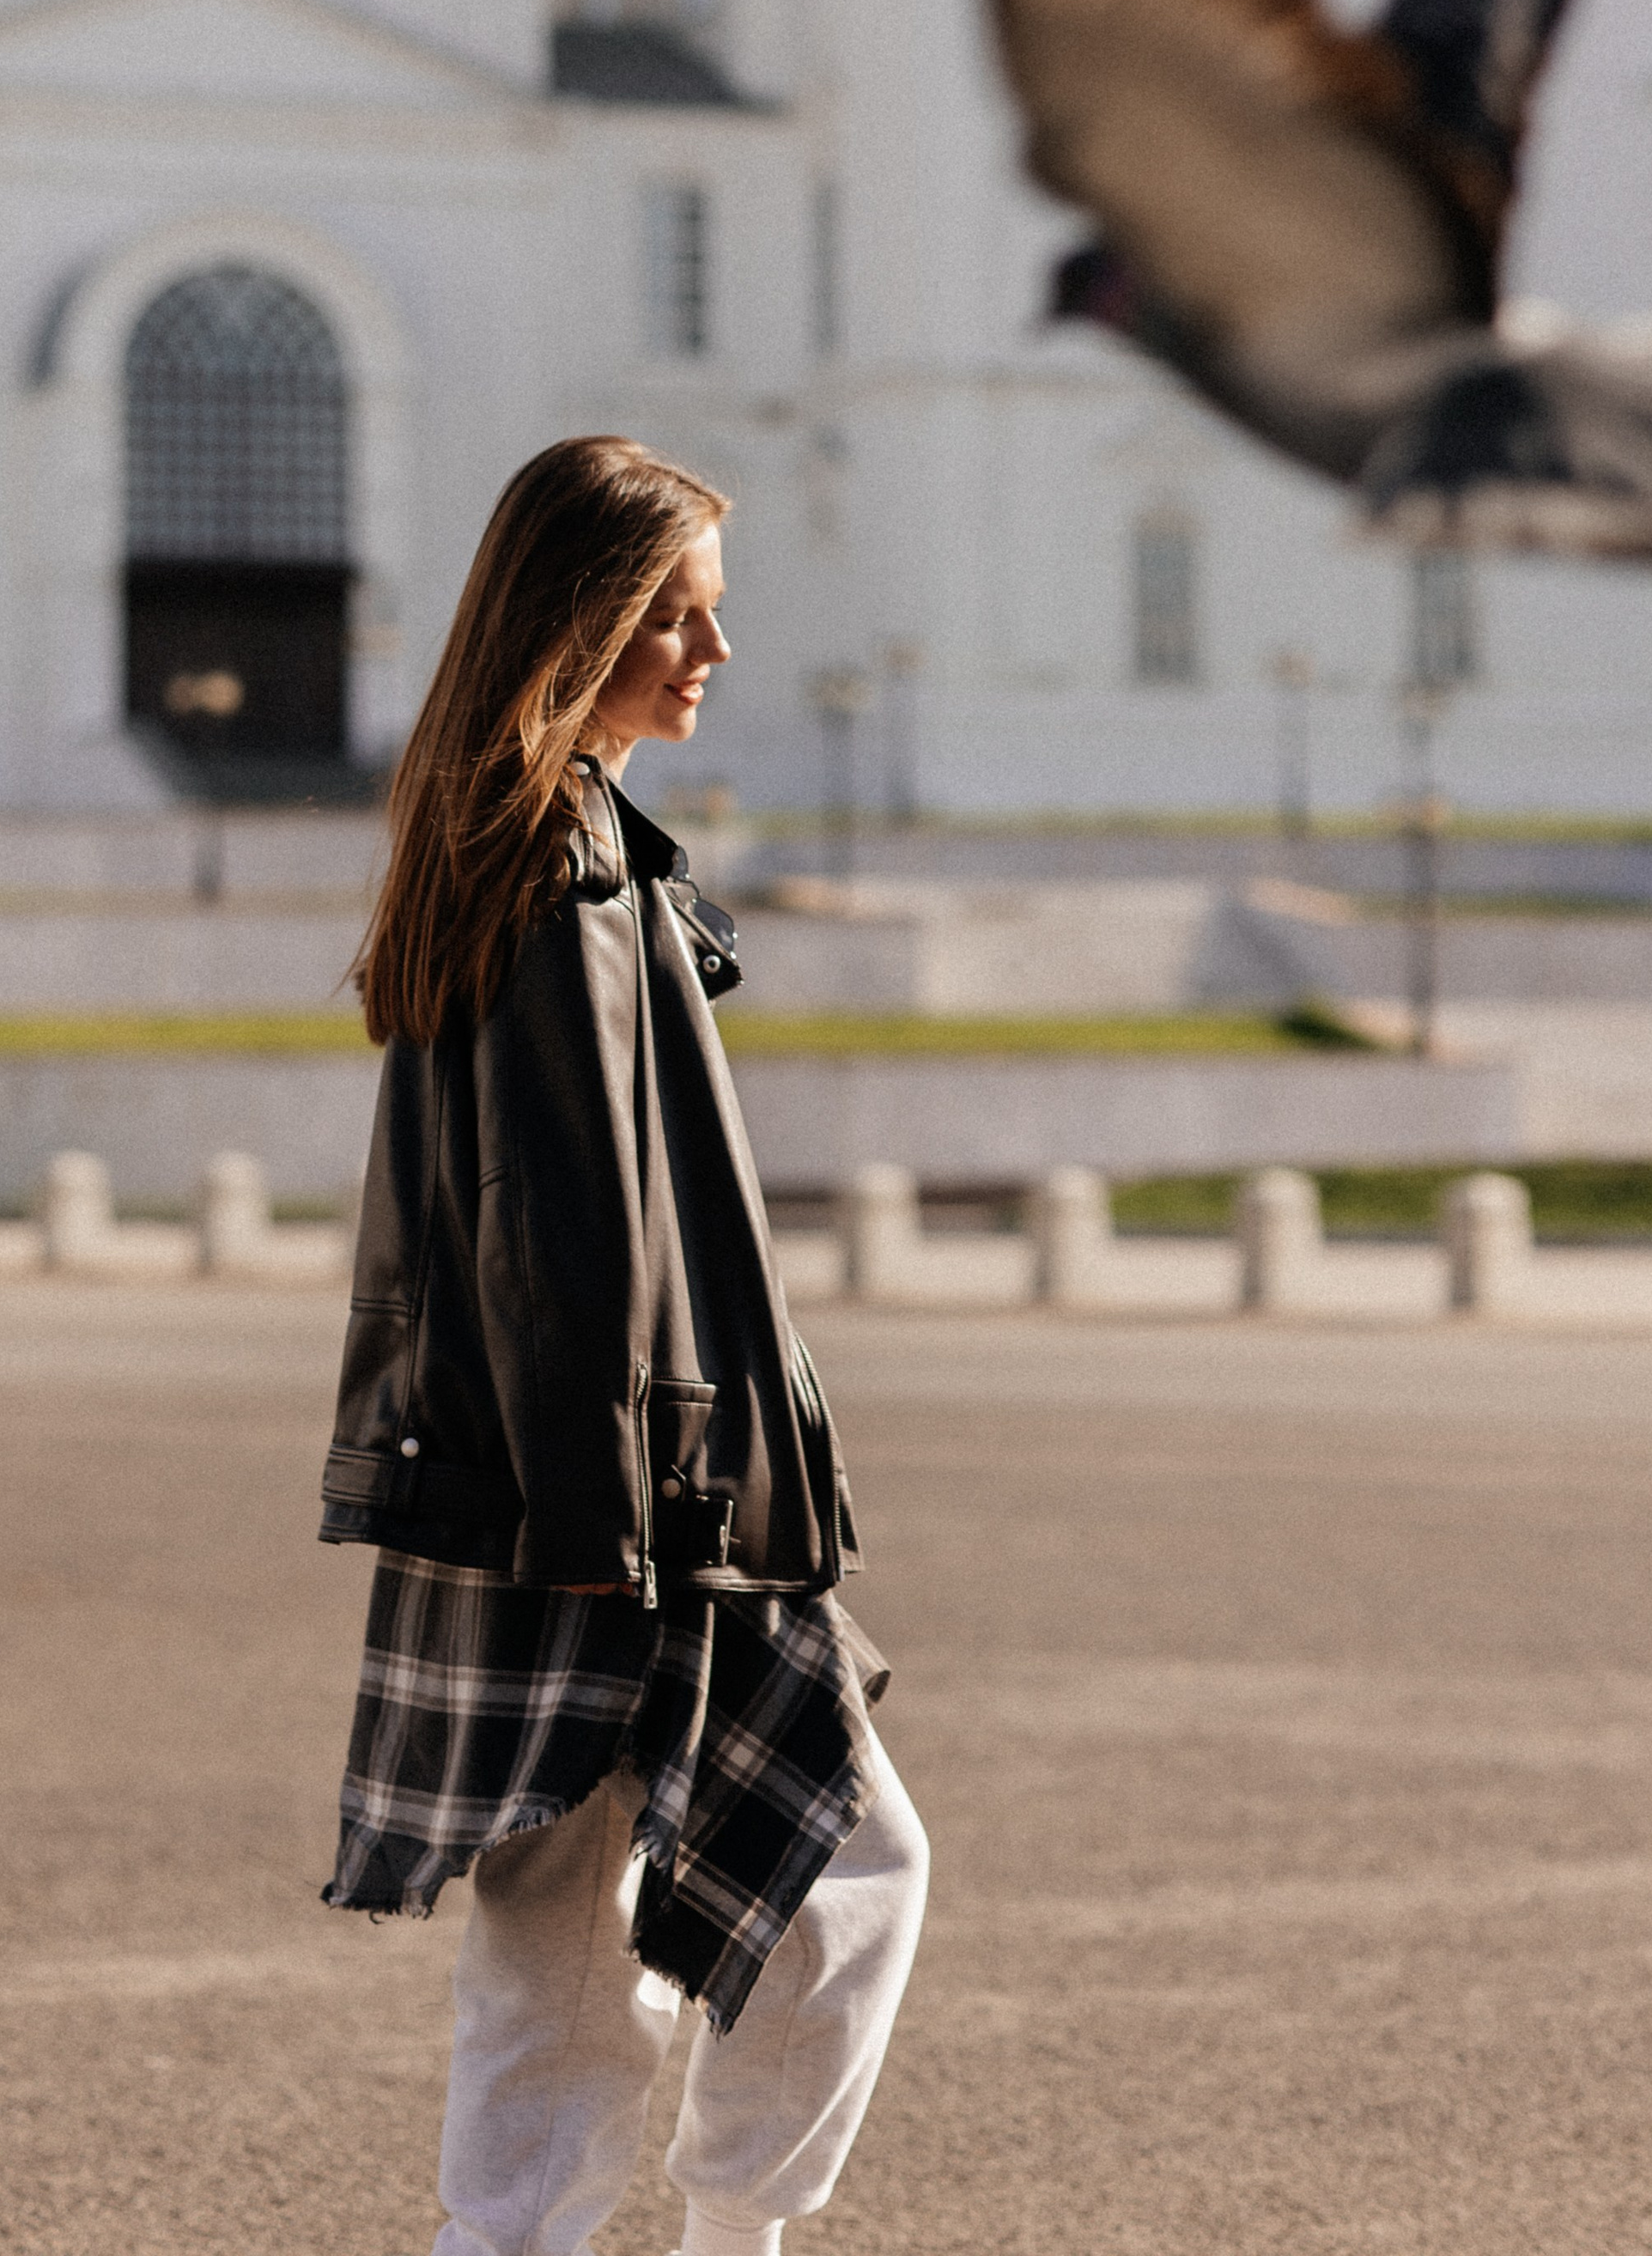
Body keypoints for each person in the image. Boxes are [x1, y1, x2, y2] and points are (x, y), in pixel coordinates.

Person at [320, 435, 928, 2256]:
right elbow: (561, 1235)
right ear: (574, 621)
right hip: (629, 1507)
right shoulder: (562, 872)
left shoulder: (517, 844)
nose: (710, 650)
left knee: (573, 1941)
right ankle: (720, 2241)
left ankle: (535, 2242)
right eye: (674, 614)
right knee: (830, 1874)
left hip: (579, 1491)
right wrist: (619, 1530)